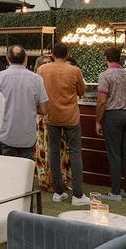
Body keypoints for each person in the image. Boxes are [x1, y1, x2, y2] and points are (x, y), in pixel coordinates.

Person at [37, 43, 90, 206]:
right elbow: (82, 92)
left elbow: (39, 92)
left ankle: (58, 192)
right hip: (70, 116)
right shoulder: (74, 70)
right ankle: (78, 195)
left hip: (51, 115)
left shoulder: (42, 70)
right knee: (75, 151)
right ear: (67, 55)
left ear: (52, 54)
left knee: (53, 151)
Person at [0, 46, 49, 160]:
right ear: (26, 58)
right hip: (27, 135)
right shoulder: (37, 79)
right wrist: (31, 107)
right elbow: (44, 109)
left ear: (7, 58)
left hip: (6, 134)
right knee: (25, 173)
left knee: (8, 172)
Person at [96, 47, 126, 202]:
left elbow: (101, 100)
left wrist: (98, 120)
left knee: (114, 154)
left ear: (106, 58)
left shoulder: (105, 75)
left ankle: (115, 192)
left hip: (113, 115)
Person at [32, 55, 72, 191]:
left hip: (57, 116)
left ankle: (60, 179)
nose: (48, 65)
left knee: (59, 148)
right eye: (44, 63)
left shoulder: (55, 78)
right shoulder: (36, 80)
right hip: (42, 117)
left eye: (50, 62)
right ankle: (45, 180)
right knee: (44, 148)